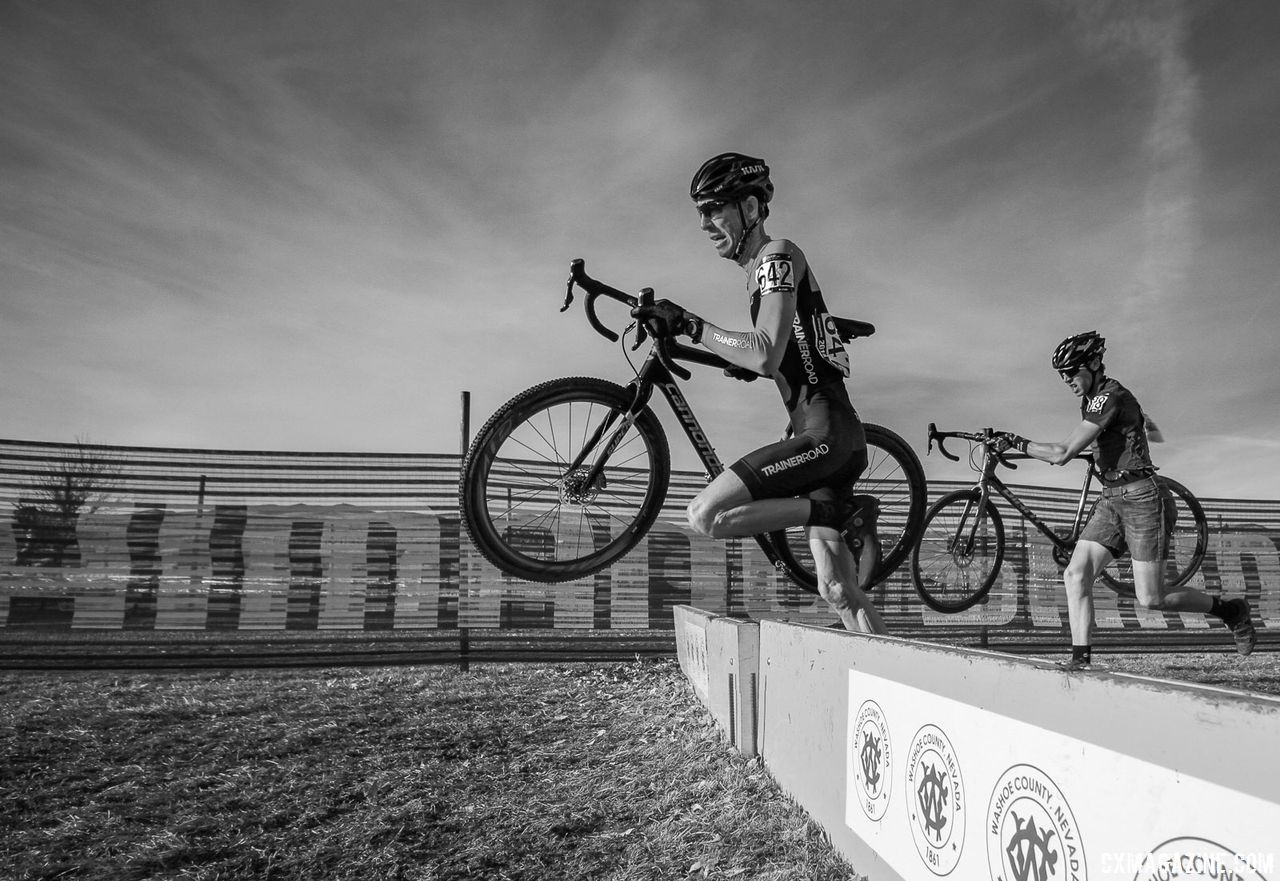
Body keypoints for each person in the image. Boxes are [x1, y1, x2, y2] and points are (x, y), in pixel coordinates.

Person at [633, 152, 887, 634]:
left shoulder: (777, 254)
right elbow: (778, 355)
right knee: (838, 591)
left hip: (824, 436)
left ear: (750, 208)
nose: (705, 224)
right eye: (700, 213)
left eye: (714, 209)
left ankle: (838, 511)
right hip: (830, 439)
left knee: (707, 514)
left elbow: (765, 352)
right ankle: (898, 687)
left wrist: (690, 324)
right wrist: (745, 361)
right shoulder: (760, 274)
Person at [995, 331, 1255, 669]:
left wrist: (1014, 440)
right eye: (1062, 375)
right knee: (1076, 574)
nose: (1067, 380)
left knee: (1152, 598)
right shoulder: (1091, 400)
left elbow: (1061, 453)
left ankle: (1231, 610)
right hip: (1111, 499)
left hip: (1143, 499)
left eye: (1072, 371)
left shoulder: (1108, 397)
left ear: (1093, 364)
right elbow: (1102, 441)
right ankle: (1081, 663)